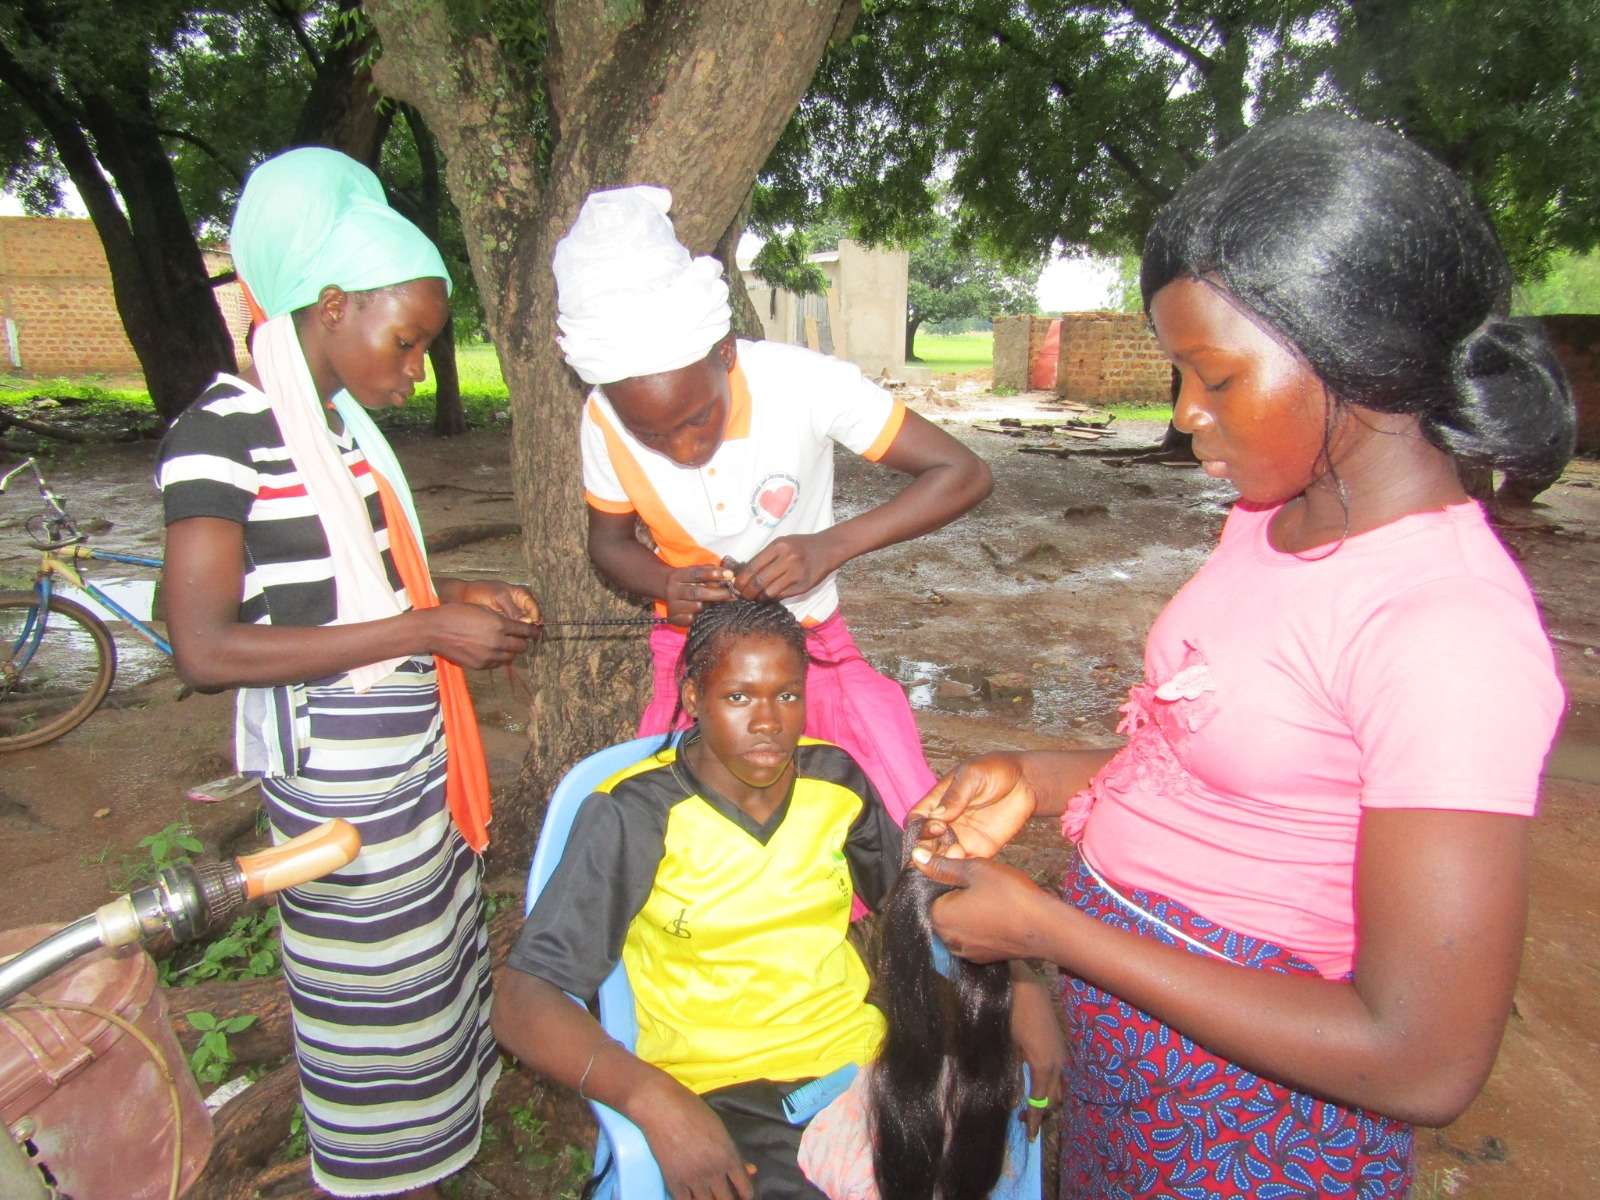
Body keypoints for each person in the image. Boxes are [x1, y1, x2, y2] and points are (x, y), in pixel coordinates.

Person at [907, 112, 1572, 1200]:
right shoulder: (1271, 524)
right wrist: (1034, 778)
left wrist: (1050, 932)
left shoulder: (1444, 627)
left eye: (1214, 378)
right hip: (1138, 1067)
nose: (1184, 415)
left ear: (1353, 353)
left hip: (1259, 1127)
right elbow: (1207, 761)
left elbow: (1421, 1057)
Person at [157, 147, 540, 1199]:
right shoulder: (222, 432)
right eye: (407, 340)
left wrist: (451, 597)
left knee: (431, 980)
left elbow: (348, 580)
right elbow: (204, 649)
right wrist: (420, 626)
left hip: (407, 767)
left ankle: (440, 1157)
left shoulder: (338, 436)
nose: (416, 368)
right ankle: (385, 1178)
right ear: (330, 306)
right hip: (337, 790)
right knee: (371, 1008)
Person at [491, 600, 1062, 1200]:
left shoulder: (835, 783)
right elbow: (524, 1001)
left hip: (861, 1067)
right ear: (692, 696)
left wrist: (1020, 988)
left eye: (787, 695)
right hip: (720, 1090)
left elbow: (923, 907)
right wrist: (655, 1102)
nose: (768, 721)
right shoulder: (635, 814)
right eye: (739, 696)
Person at [552, 185, 993, 827]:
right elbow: (609, 543)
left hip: (808, 641)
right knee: (692, 825)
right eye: (652, 435)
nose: (682, 449)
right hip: (690, 650)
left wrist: (829, 547)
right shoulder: (602, 419)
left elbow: (964, 472)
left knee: (884, 808)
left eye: (698, 418)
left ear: (725, 353)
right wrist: (665, 582)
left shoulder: (805, 385)